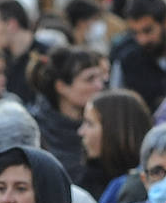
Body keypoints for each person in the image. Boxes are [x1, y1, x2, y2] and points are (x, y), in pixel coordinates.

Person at [27, 46, 107, 183]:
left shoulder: (106, 121)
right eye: (90, 79)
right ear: (61, 87)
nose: (100, 86)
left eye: (100, 78)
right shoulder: (35, 130)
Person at [77, 89, 151, 203]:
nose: (81, 132)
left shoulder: (143, 189)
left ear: (114, 131)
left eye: (89, 124)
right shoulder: (87, 179)